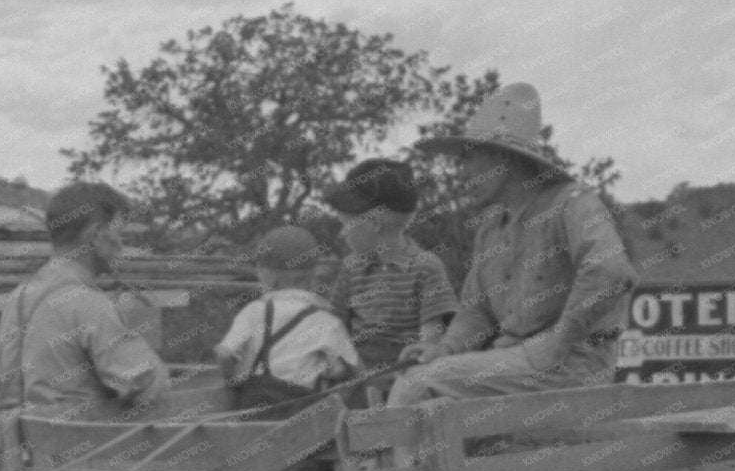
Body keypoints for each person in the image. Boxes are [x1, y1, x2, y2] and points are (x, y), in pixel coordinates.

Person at [390, 83, 636, 408]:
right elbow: (475, 312)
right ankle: (389, 458)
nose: (460, 173)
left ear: (503, 159)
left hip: (571, 367)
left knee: (417, 385)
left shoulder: (573, 203)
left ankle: (373, 458)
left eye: (468, 158)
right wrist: (443, 350)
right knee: (428, 405)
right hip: (514, 362)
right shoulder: (490, 229)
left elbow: (611, 271)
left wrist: (558, 341)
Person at [0, 181, 167, 419]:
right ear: (95, 235)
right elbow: (144, 385)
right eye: (119, 233)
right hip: (82, 447)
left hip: (22, 447)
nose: (122, 245)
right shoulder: (88, 303)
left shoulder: (18, 297)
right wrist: (157, 370)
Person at [325, 159, 458, 377]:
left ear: (374, 223)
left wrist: (411, 368)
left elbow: (429, 343)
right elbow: (334, 325)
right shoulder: (351, 267)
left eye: (345, 223)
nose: (342, 233)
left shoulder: (425, 268)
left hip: (403, 371)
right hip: (355, 368)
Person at [214, 226, 359, 414]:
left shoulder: (254, 311)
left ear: (265, 273)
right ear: (313, 275)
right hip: (303, 415)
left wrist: (232, 383)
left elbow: (225, 354)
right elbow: (355, 369)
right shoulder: (326, 320)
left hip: (255, 412)